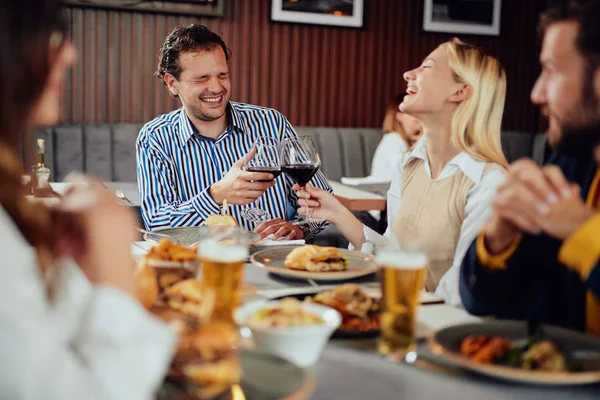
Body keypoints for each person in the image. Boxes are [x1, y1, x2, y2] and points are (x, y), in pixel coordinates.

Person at [0, 1, 175, 398]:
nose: (71, 54)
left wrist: (60, 266)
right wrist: (114, 264)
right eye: (54, 35)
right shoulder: (156, 136)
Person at [296, 38, 508, 306]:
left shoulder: (489, 182)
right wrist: (337, 213)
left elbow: (463, 289)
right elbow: (395, 253)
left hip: (441, 328)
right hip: (401, 314)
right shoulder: (409, 165)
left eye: (427, 67)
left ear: (458, 92)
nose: (409, 74)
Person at [460, 0, 600, 337]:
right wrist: (498, 239)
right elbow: (485, 302)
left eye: (551, 70)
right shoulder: (570, 163)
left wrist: (583, 232)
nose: (536, 93)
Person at [137, 24, 332, 239]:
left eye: (222, 75)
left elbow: (322, 200)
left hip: (269, 261)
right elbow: (157, 224)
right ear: (173, 83)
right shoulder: (155, 138)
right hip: (202, 265)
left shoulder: (272, 123)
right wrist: (216, 195)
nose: (216, 87)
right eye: (202, 78)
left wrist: (300, 227)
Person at [369, 93, 422, 182]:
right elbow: (405, 173)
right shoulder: (392, 140)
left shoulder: (405, 141)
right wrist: (422, 144)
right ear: (400, 116)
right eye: (414, 112)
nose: (419, 117)